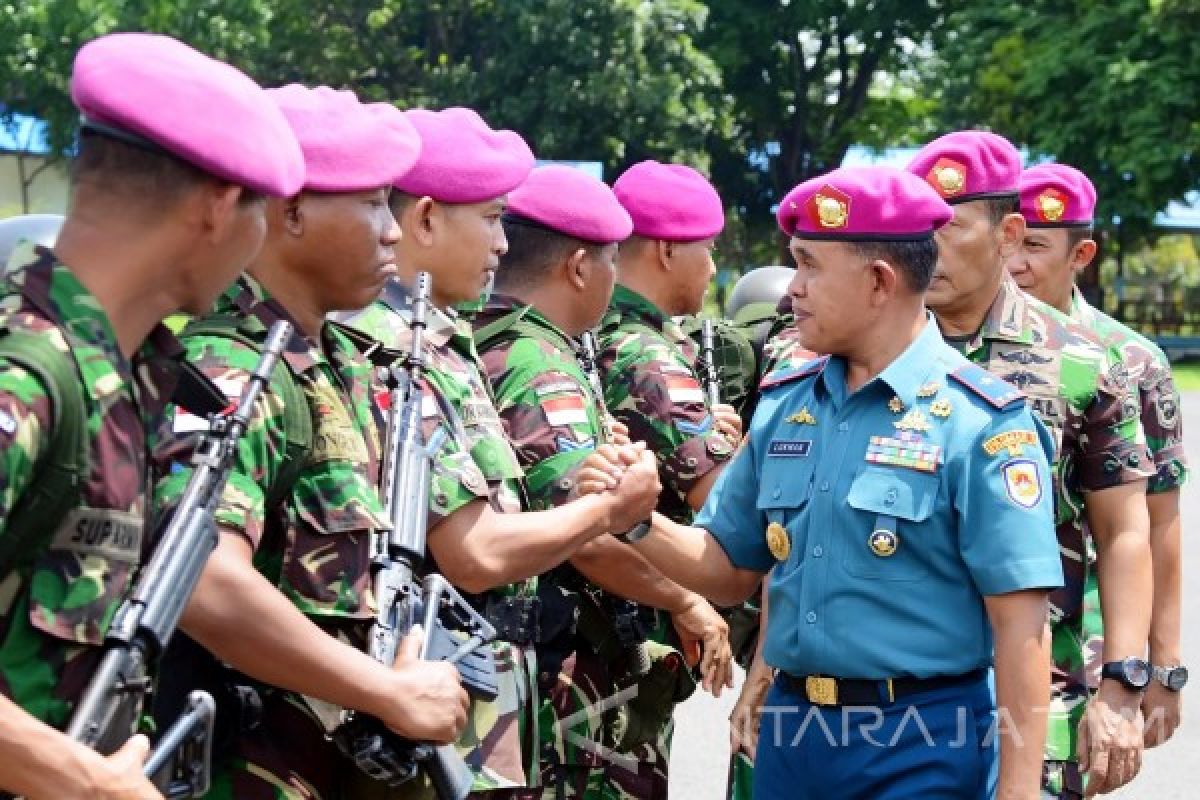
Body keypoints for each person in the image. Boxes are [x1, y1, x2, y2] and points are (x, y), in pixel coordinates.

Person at [610, 165, 1063, 799]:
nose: (792, 289)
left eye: (810, 265)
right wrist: (633, 519)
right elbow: (727, 563)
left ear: (879, 281)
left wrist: (1017, 794)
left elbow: (1022, 629)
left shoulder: (979, 424)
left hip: (923, 742)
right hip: (795, 736)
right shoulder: (787, 404)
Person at [0, 32, 304, 800]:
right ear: (220, 205)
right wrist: (83, 781)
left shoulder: (126, 377)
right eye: (263, 211)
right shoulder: (27, 379)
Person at [151, 85, 472, 800]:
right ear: (290, 211)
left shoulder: (342, 364)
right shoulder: (233, 370)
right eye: (370, 204)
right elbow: (205, 579)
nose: (393, 231)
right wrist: (385, 692)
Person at [340, 109, 661, 798]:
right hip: (428, 697)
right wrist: (608, 508)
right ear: (425, 219)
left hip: (469, 687)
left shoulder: (437, 339)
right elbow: (475, 553)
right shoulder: (397, 347)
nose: (502, 242)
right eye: (488, 218)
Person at [906, 131, 1156, 799]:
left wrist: (1124, 685)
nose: (925, 250)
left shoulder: (1078, 361)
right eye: (915, 228)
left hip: (1034, 704)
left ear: (1008, 234)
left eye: (949, 229)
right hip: (889, 701)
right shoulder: (871, 348)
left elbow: (1126, 531)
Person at [471, 165, 732, 799]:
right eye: (611, 261)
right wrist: (685, 600)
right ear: (581, 266)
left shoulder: (484, 343)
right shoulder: (541, 363)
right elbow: (584, 535)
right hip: (575, 670)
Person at [1010, 163, 1189, 749]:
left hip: (1087, 638)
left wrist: (1160, 670)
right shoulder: (962, 346)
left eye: (1036, 247)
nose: (1016, 264)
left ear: (1081, 253)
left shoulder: (1132, 360)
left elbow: (1159, 522)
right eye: (1010, 242)